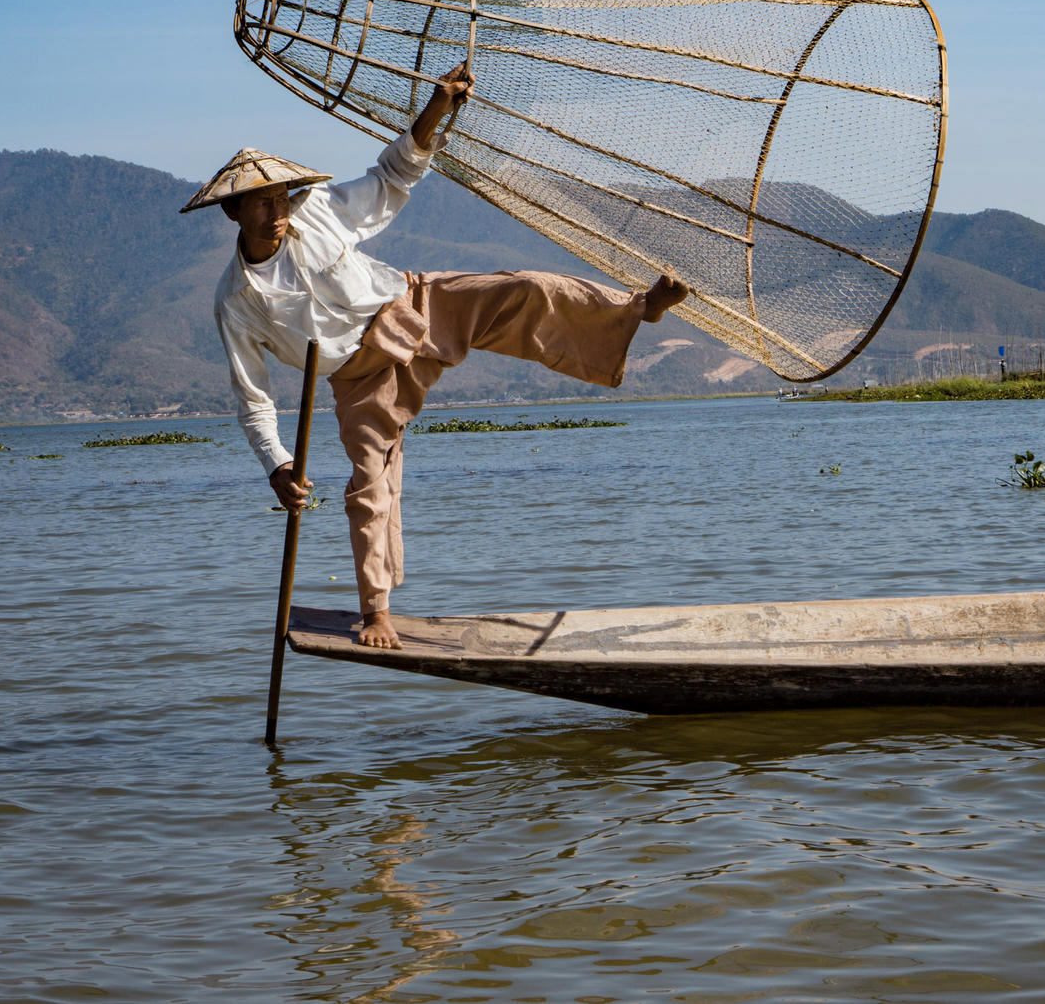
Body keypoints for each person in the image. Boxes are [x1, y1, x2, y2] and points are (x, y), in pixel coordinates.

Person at [181, 63, 687, 649]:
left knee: (525, 289)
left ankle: (637, 309)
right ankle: (377, 611)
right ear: (232, 213)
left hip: (412, 303)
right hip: (360, 378)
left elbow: (391, 177)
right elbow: (254, 396)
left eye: (278, 198)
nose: (276, 213)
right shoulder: (236, 300)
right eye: (260, 205)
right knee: (369, 487)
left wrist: (437, 107)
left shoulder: (316, 212)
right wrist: (276, 465)